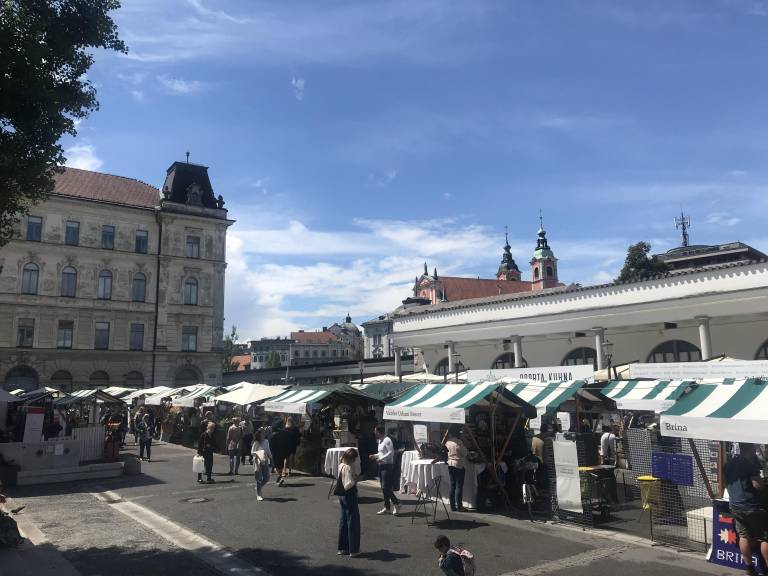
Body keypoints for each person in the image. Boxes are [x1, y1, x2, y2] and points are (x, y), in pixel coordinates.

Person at [724, 443, 768, 576]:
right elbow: (757, 485)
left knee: (744, 536)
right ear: (751, 448)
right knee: (765, 537)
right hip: (752, 508)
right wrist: (764, 483)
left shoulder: (730, 463)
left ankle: (749, 568)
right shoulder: (749, 464)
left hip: (736, 507)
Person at [369, 425, 400, 515]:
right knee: (383, 488)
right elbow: (381, 453)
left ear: (379, 432)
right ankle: (387, 507)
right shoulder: (379, 441)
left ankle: (396, 504)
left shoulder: (387, 440)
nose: (374, 433)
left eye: (375, 431)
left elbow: (391, 452)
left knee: (386, 487)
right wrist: (375, 456)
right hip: (381, 465)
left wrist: (381, 457)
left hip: (388, 466)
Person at [336, 448, 361, 557]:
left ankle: (343, 547)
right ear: (351, 458)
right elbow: (349, 484)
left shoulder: (341, 464)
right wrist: (356, 479)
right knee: (353, 521)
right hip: (349, 494)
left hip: (341, 494)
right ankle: (354, 549)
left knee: (344, 520)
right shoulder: (348, 467)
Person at [445, 427, 468, 512]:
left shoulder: (448, 442)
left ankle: (452, 506)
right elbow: (465, 453)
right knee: (459, 486)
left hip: (450, 463)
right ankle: (459, 506)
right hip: (459, 464)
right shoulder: (459, 442)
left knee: (452, 485)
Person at [251, 429, 272, 501]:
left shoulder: (266, 441)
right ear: (259, 434)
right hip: (257, 461)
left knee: (266, 478)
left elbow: (268, 450)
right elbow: (252, 452)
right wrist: (259, 453)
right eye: (262, 434)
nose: (263, 435)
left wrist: (270, 456)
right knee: (259, 478)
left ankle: (258, 487)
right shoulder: (256, 442)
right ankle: (258, 494)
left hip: (265, 460)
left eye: (264, 433)